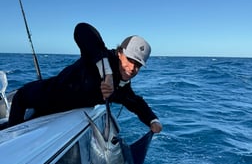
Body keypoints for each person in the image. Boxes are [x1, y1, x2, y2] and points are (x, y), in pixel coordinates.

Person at [8, 22, 162, 133]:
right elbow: (82, 29)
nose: (133, 68)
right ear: (120, 53)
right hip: (44, 95)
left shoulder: (122, 87)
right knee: (15, 116)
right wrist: (106, 73)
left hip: (58, 114)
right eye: (130, 60)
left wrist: (153, 121)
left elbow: (135, 102)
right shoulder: (99, 57)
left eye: (138, 65)